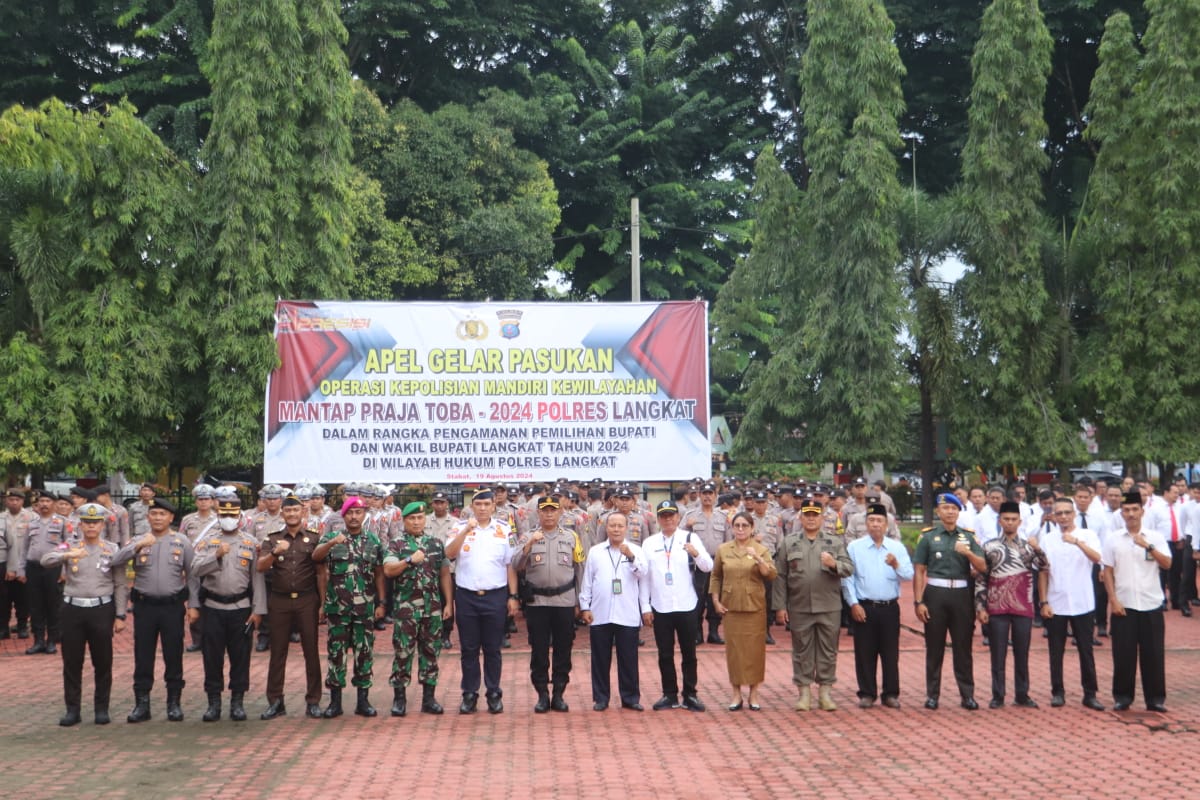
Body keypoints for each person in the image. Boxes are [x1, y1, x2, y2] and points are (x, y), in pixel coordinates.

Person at [41, 502, 127, 725]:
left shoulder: (112, 549)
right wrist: (67, 555)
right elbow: (45, 560)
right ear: (80, 524)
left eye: (95, 522)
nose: (91, 527)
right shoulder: (69, 545)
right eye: (87, 522)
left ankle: (101, 709)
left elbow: (120, 583)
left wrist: (120, 615)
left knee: (103, 661)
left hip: (101, 609)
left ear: (102, 524)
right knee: (72, 661)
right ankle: (73, 709)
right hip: (73, 609)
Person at [112, 497, 193, 722]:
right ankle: (142, 704)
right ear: (148, 517)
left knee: (173, 654)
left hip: (172, 607)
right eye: (154, 514)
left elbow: (193, 575)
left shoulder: (182, 541)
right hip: (145, 607)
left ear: (171, 518)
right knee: (143, 655)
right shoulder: (138, 540)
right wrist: (137, 545)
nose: (158, 518)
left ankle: (174, 703)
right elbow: (115, 560)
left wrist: (193, 606)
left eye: (163, 514)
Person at [189, 494, 266, 722]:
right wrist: (216, 555)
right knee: (212, 657)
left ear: (240, 516)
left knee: (240, 657)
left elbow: (257, 579)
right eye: (224, 515)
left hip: (241, 608)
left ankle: (237, 702)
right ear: (218, 515)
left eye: (233, 515)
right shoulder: (207, 542)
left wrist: (258, 609)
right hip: (213, 607)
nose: (229, 518)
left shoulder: (250, 543)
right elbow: (195, 570)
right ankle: (214, 703)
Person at [773, 495, 853, 712]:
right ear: (801, 517)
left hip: (829, 606)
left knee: (828, 650)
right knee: (801, 650)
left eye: (814, 516)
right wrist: (780, 607)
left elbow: (848, 568)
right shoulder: (789, 542)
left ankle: (825, 692)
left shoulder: (834, 542)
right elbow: (780, 576)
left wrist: (833, 563)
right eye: (807, 515)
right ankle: (804, 692)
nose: (810, 519)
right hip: (799, 606)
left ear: (821, 518)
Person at [444, 488, 520, 714]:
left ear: (494, 506)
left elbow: (510, 566)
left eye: (487, 504)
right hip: (467, 596)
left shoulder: (504, 530)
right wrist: (466, 530)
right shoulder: (459, 527)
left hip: (495, 596)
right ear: (472, 507)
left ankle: (494, 692)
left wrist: (513, 596)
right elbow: (449, 554)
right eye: (479, 505)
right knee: (468, 648)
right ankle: (469, 693)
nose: (483, 509)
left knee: (493, 648)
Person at [312, 495, 386, 718]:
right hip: (338, 609)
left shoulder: (373, 541)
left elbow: (379, 574)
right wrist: (332, 543)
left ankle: (363, 701)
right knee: (336, 654)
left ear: (364, 515)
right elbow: (317, 559)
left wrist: (382, 603)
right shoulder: (332, 537)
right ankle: (335, 702)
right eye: (350, 513)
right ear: (343, 516)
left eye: (358, 512)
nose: (354, 517)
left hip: (364, 608)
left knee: (364, 653)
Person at [913, 492, 987, 710]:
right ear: (938, 511)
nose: (950, 512)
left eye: (954, 509)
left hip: (962, 596)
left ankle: (967, 696)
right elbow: (919, 570)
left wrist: (968, 554)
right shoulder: (927, 537)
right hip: (936, 594)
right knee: (934, 648)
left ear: (958, 511)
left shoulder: (968, 536)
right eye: (945, 508)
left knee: (963, 648)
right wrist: (918, 602)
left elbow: (982, 567)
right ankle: (932, 695)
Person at [513, 495, 584, 713]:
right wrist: (529, 544)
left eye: (553, 510)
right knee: (539, 650)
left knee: (564, 649)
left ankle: (559, 694)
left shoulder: (571, 537)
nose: (549, 514)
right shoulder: (528, 536)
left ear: (560, 512)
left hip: (564, 601)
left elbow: (580, 569)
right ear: (538, 513)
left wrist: (581, 601)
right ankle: (542, 694)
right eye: (545, 510)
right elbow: (515, 564)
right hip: (538, 603)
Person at [1102, 491, 1171, 712]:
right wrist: (1113, 600)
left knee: (1153, 654)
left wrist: (1147, 546)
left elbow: (1167, 564)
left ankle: (1155, 699)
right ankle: (1123, 697)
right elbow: (1108, 571)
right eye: (1126, 510)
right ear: (1121, 513)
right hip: (1124, 604)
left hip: (1151, 603)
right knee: (1123, 654)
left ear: (1142, 511)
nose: (1130, 514)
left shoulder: (1155, 537)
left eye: (1134, 509)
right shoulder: (1113, 539)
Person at [257, 494, 324, 720]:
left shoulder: (314, 538)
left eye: (296, 510)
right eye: (288, 511)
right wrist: (276, 552)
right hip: (280, 600)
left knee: (311, 651)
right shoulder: (273, 538)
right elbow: (260, 566)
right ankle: (276, 701)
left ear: (302, 513)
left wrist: (322, 603)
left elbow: (321, 573)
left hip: (307, 599)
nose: (292, 514)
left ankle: (313, 701)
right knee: (278, 652)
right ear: (283, 514)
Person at [383, 500, 452, 716]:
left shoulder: (435, 543)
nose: (416, 521)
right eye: (411, 518)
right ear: (404, 521)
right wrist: (409, 561)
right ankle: (399, 699)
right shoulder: (396, 544)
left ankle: (429, 699)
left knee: (431, 653)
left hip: (432, 609)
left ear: (425, 519)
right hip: (406, 610)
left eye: (420, 517)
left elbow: (444, 573)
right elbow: (388, 570)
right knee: (403, 653)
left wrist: (449, 602)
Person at [642, 499, 711, 712]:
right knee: (665, 653)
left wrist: (696, 553)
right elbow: (645, 577)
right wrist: (645, 607)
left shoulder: (690, 538)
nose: (668, 519)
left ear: (678, 517)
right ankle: (669, 694)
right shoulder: (650, 543)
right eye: (663, 516)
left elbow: (708, 566)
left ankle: (690, 694)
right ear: (658, 519)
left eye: (671, 515)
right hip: (661, 605)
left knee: (689, 653)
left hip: (686, 603)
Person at [975, 501, 1046, 708]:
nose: (1010, 523)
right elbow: (981, 578)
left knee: (1022, 653)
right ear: (1000, 521)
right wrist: (980, 607)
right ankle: (998, 696)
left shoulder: (1027, 547)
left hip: (1023, 606)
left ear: (1019, 521)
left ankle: (1022, 695)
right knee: (998, 654)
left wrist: (1037, 549)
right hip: (996, 607)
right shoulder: (989, 547)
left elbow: (1044, 566)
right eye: (1006, 519)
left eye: (1014, 519)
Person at [842, 503, 913, 709]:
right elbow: (847, 579)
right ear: (866, 524)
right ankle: (867, 693)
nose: (875, 525)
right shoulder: (854, 547)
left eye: (879, 521)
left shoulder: (896, 548)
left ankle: (890, 693)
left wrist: (896, 565)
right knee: (864, 652)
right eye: (871, 521)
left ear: (886, 524)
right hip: (864, 606)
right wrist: (853, 604)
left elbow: (908, 575)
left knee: (890, 653)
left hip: (889, 607)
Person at [1039, 497, 1105, 710]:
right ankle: (1057, 691)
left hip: (1082, 601)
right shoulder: (1047, 538)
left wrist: (1077, 542)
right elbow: (1043, 571)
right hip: (1056, 601)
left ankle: (1090, 693)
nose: (1064, 517)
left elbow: (1097, 558)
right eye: (1059, 513)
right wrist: (1043, 601)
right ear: (1054, 516)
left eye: (1067, 512)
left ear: (1074, 513)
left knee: (1086, 649)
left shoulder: (1088, 535)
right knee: (1056, 650)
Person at [578, 512, 648, 711]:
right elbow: (588, 581)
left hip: (627, 613)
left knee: (628, 658)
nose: (616, 529)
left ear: (626, 528)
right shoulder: (596, 551)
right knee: (600, 658)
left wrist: (631, 557)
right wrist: (585, 606)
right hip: (601, 612)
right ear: (606, 528)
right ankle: (601, 697)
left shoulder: (636, 550)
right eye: (612, 526)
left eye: (620, 526)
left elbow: (643, 573)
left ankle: (630, 697)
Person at [710, 511, 777, 711]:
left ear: (752, 528)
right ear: (732, 528)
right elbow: (716, 576)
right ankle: (736, 693)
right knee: (735, 652)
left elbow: (771, 574)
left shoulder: (761, 549)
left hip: (754, 607)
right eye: (737, 525)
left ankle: (754, 693)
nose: (740, 529)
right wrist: (715, 599)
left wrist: (758, 559)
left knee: (755, 652)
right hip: (731, 607)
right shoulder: (723, 549)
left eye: (744, 526)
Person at [22, 491, 71, 655]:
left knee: (53, 605)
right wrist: (22, 569)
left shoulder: (63, 522)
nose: (44, 504)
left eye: (47, 501)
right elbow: (25, 548)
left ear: (54, 504)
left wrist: (64, 570)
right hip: (33, 567)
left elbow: (68, 546)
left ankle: (51, 640)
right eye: (41, 501)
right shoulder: (31, 523)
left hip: (53, 568)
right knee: (35, 606)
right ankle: (38, 641)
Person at [681, 482, 728, 645]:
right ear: (700, 495)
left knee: (714, 596)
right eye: (704, 493)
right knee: (698, 599)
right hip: (698, 563)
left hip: (717, 561)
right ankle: (698, 633)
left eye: (711, 493)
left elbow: (728, 540)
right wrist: (688, 527)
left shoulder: (723, 517)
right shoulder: (690, 515)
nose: (707, 496)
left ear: (716, 496)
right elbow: (680, 537)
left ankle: (714, 632)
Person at [180, 484, 219, 653]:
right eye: (200, 499)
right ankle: (197, 639)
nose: (203, 502)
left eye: (207, 499)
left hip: (212, 566)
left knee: (212, 602)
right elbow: (181, 540)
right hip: (193, 566)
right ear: (196, 501)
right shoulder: (187, 520)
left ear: (212, 501)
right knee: (194, 601)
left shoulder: (218, 520)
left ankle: (213, 638)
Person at [2, 488, 35, 640]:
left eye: (17, 500)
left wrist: (21, 569)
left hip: (25, 565)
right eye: (11, 500)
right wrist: (9, 568)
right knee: (4, 599)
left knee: (23, 599)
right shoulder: (1, 518)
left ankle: (22, 626)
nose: (14, 502)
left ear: (23, 501)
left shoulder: (32, 517)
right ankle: (3, 628)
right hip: (5, 565)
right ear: (5, 501)